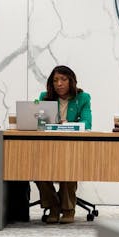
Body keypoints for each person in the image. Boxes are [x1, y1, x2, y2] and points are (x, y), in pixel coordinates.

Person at [35, 65, 92, 224]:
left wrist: (67, 124)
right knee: (37, 169)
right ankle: (53, 206)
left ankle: (68, 209)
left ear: (71, 81)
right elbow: (39, 123)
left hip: (72, 146)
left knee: (69, 166)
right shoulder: (44, 97)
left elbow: (87, 123)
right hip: (49, 147)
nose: (59, 83)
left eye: (63, 79)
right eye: (55, 80)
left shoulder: (83, 97)